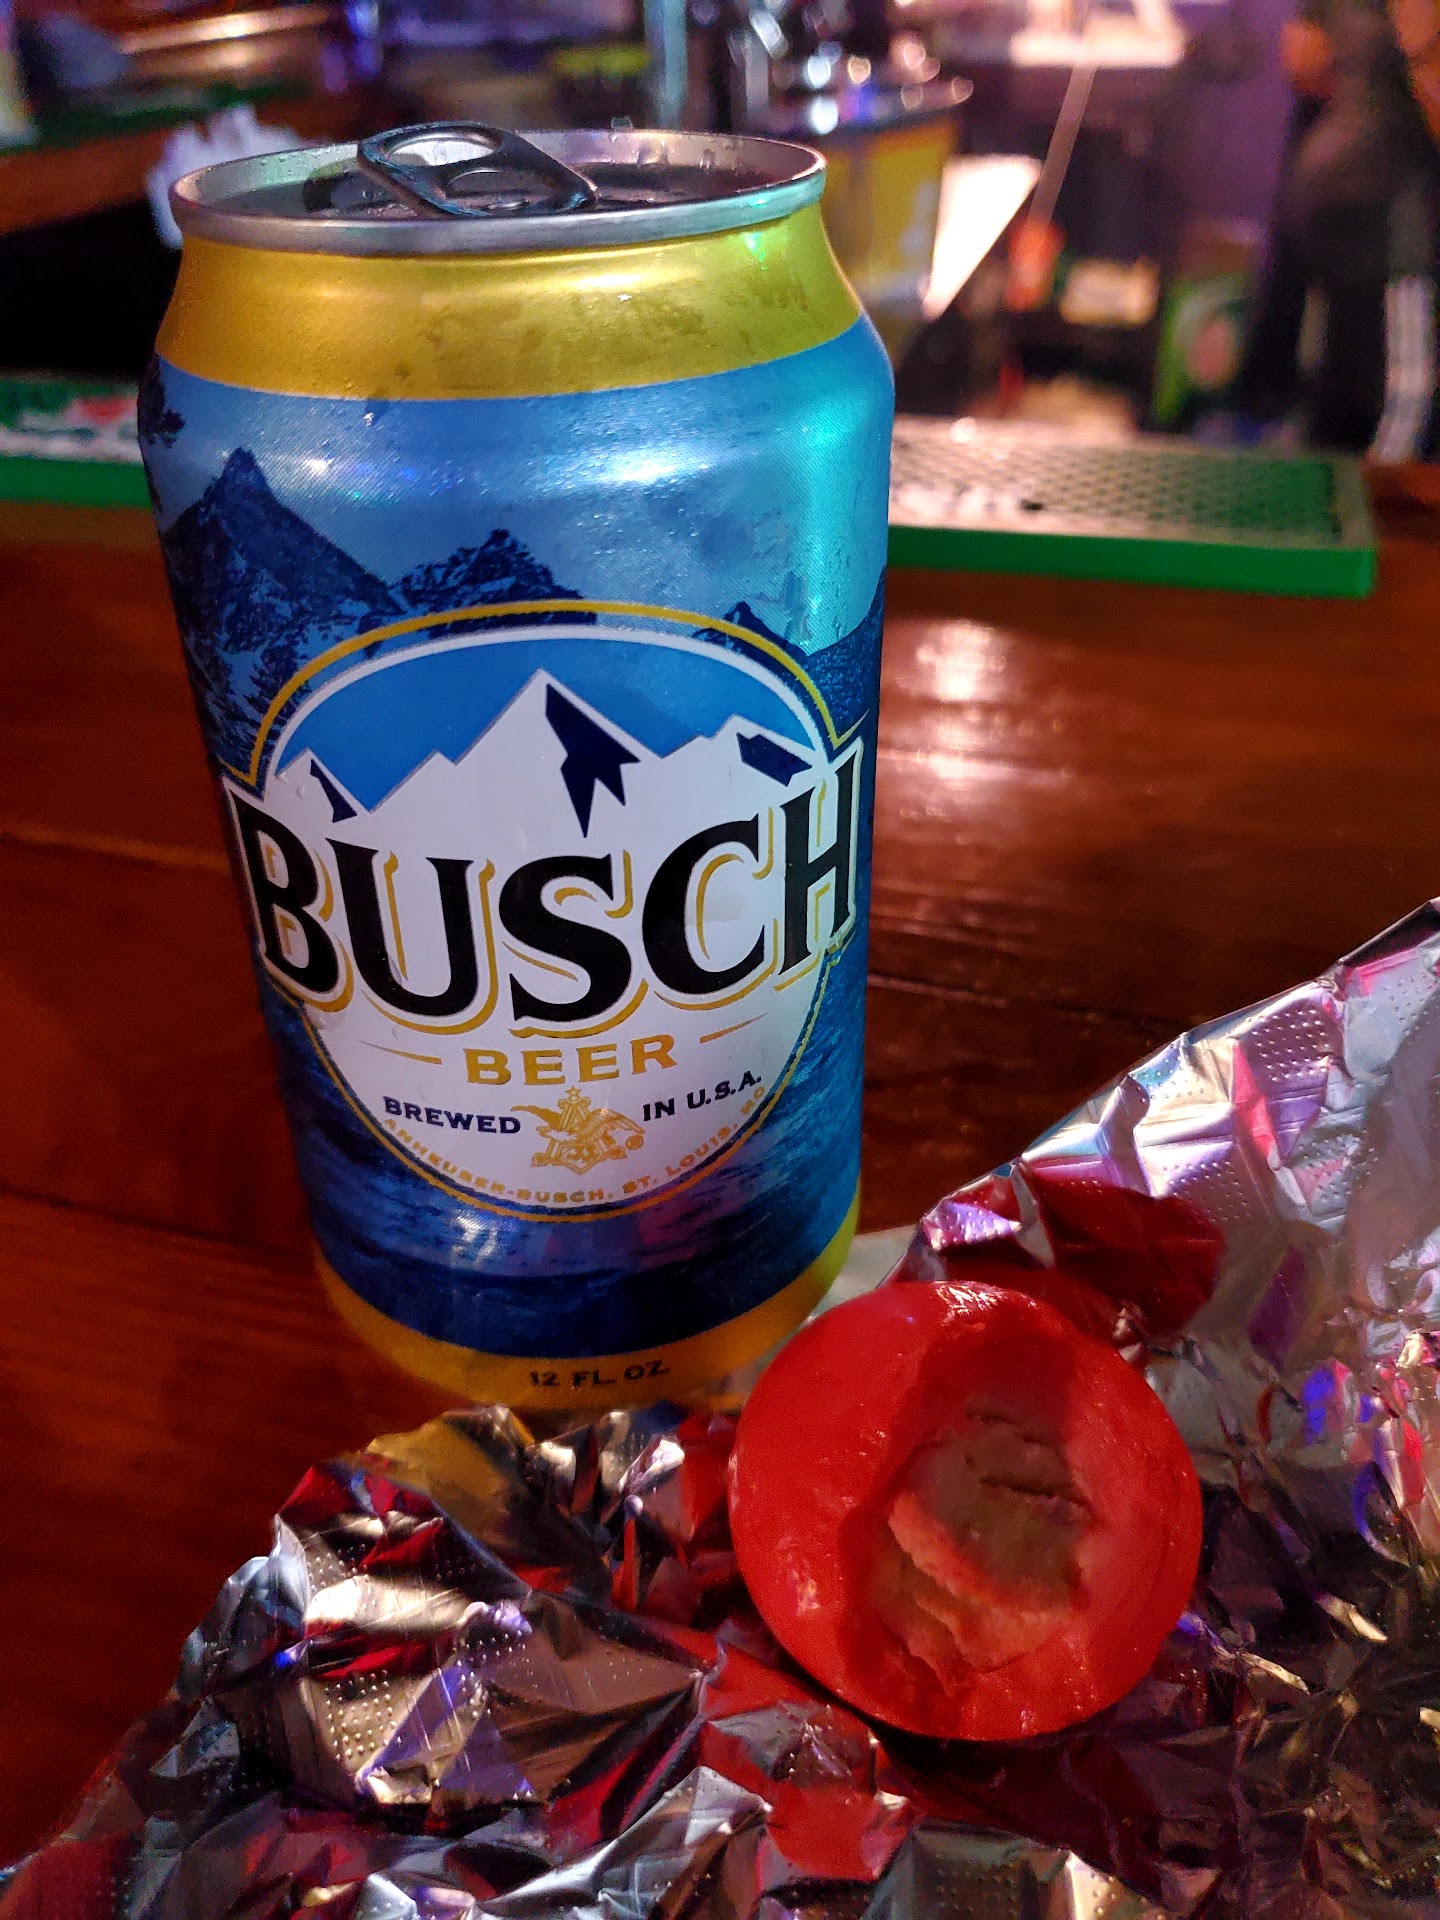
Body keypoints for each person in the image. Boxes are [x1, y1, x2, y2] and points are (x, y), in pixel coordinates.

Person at [1237, 0, 1440, 456]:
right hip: (1391, 203)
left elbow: (1302, 62)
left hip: (1328, 182)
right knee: (1406, 405)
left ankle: (1331, 488)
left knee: (1336, 378)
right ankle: (1376, 497)